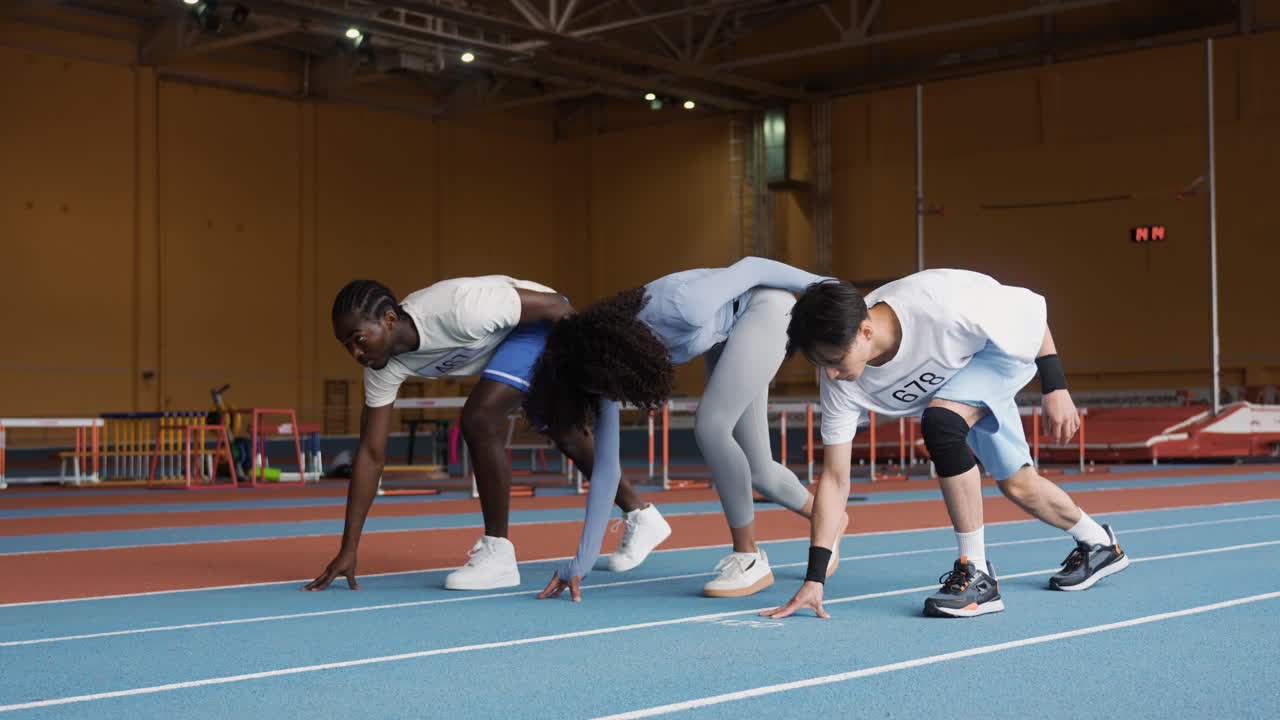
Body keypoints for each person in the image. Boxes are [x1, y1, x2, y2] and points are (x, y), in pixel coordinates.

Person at [764, 270, 1128, 620]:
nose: (830, 373)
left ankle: (977, 575)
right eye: (820, 364)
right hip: (953, 384)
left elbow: (1030, 310)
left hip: (994, 356)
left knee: (941, 424)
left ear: (866, 330)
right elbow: (835, 479)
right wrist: (815, 578)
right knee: (1018, 484)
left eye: (834, 361)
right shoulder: (841, 381)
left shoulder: (941, 305)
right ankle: (1099, 544)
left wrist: (1056, 386)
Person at [305, 277, 666, 592]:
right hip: (506, 344)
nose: (355, 352)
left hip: (541, 321)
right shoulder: (383, 368)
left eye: (358, 339)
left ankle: (498, 555)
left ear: (388, 320)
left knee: (479, 418)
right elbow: (370, 454)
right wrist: (348, 549)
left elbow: (556, 307)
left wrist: (603, 371)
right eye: (346, 345)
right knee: (563, 430)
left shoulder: (459, 308)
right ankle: (641, 514)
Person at [524, 257, 846, 602]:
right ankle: (828, 517)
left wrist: (830, 287)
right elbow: (605, 471)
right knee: (760, 471)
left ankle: (748, 556)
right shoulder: (601, 369)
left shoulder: (679, 306)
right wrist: (580, 563)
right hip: (727, 334)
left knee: (711, 425)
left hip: (765, 308)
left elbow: (753, 267)